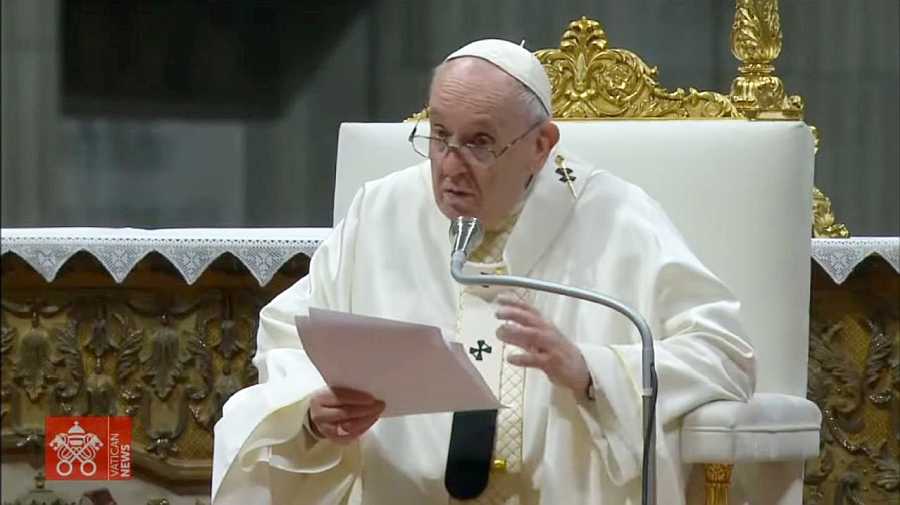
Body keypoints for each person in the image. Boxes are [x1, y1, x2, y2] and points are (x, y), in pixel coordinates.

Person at [211, 39, 755, 505]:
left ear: (541, 146)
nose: (450, 166)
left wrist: (592, 371)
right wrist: (312, 412)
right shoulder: (381, 211)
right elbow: (291, 335)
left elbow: (723, 353)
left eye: (479, 143)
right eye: (439, 135)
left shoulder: (617, 219)